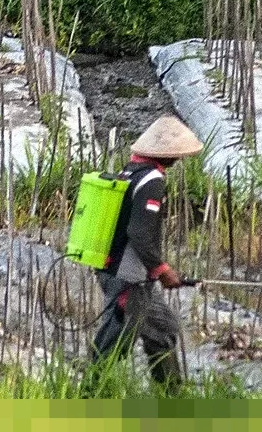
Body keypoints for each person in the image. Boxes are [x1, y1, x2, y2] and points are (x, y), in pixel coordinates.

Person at [86, 114, 203, 394]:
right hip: (128, 276)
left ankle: (171, 396)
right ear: (167, 154)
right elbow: (139, 232)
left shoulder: (130, 171)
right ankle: (89, 395)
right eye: (178, 155)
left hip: (121, 270)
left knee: (163, 329)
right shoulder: (152, 180)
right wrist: (162, 270)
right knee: (117, 340)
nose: (180, 159)